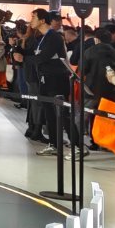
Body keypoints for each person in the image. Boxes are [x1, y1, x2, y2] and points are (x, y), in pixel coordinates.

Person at [32, 12, 78, 153]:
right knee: (49, 114)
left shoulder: (54, 37)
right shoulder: (42, 37)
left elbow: (43, 57)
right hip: (45, 79)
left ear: (42, 21)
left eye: (33, 17)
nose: (31, 20)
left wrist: (28, 59)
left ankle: (77, 146)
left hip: (57, 80)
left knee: (63, 114)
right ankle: (54, 144)